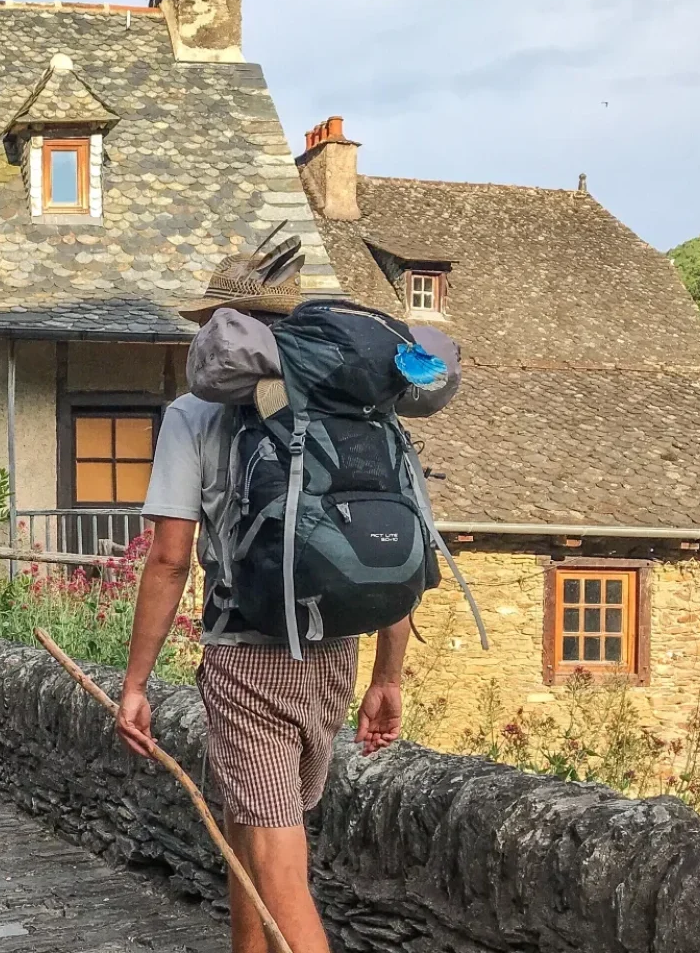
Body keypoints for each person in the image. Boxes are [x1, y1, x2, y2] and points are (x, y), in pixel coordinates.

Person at [116, 257, 455, 953]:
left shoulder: (195, 413)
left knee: (278, 868)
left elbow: (171, 557)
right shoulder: (364, 410)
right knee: (253, 834)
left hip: (250, 659)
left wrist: (135, 684)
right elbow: (388, 557)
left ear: (223, 328)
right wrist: (386, 680)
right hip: (333, 650)